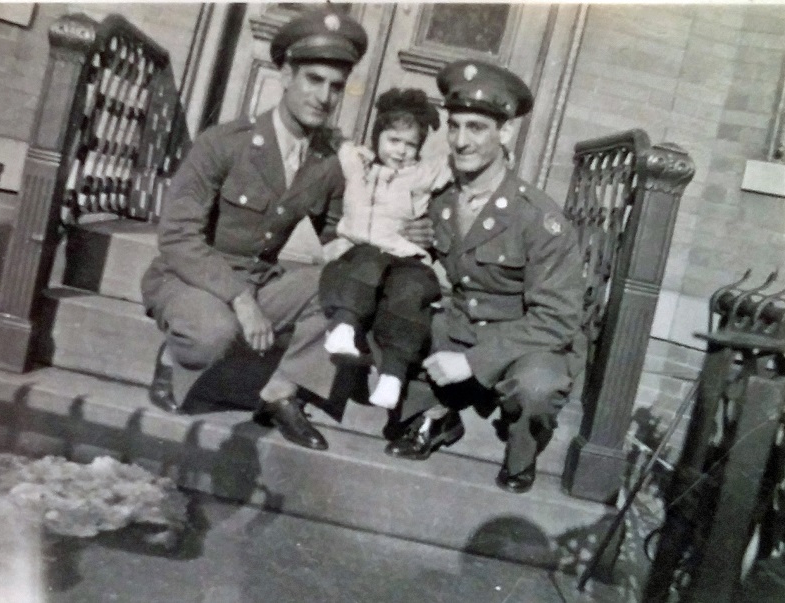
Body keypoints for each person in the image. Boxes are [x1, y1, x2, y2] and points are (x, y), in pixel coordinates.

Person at [140, 10, 369, 451]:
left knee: (349, 281)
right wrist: (240, 298)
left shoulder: (327, 162)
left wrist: (387, 229)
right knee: (214, 334)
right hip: (192, 278)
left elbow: (338, 237)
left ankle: (281, 393)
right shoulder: (225, 142)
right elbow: (177, 238)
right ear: (285, 75)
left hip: (261, 282)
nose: (324, 96)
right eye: (313, 80)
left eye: (335, 86)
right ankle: (172, 359)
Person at [384, 60, 584, 495]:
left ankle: (521, 452)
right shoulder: (442, 201)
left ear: (505, 134)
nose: (460, 140)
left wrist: (474, 363)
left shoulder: (539, 218)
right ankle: (435, 419)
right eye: (454, 126)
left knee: (538, 386)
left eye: (476, 128)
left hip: (524, 340)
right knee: (401, 310)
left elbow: (557, 320)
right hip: (459, 325)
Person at [318, 88, 450, 410]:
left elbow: (455, 165)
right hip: (361, 249)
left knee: (411, 295)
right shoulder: (359, 165)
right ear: (378, 137)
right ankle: (345, 326)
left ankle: (392, 375)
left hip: (403, 256)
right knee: (361, 267)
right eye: (394, 140)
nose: (402, 151)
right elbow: (336, 142)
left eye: (411, 145)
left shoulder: (421, 174)